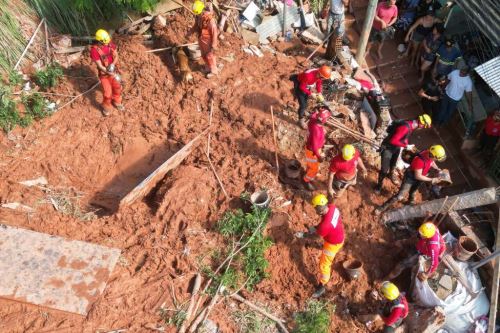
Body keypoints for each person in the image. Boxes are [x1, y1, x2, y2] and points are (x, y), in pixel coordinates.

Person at [376, 145, 446, 213]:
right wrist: (432, 179)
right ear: (433, 156)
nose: (436, 160)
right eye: (437, 158)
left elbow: (431, 162)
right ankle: (381, 208)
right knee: (400, 196)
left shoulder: (429, 152)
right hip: (410, 177)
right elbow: (417, 176)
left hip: (420, 177)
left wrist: (437, 168)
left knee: (413, 192)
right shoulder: (420, 160)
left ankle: (410, 203)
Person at [375, 114, 432, 193]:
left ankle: (390, 175)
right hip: (388, 148)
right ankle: (379, 185)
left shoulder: (411, 125)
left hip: (396, 147)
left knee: (393, 164)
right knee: (384, 169)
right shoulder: (406, 127)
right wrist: (406, 146)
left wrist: (406, 143)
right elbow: (393, 140)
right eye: (424, 126)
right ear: (421, 123)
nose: (423, 128)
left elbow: (404, 137)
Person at [303, 194, 345, 298]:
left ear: (319, 209)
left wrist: (304, 235)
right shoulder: (332, 207)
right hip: (340, 235)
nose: (314, 210)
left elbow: (316, 238)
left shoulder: (325, 226)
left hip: (332, 244)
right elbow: (325, 221)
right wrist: (316, 227)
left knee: (324, 264)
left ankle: (323, 284)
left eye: (315, 208)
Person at [90, 29, 124, 116]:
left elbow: (116, 55)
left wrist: (112, 64)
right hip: (104, 75)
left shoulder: (109, 44)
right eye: (104, 43)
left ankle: (117, 101)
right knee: (107, 93)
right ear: (99, 41)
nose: (107, 44)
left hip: (113, 70)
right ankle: (106, 106)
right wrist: (109, 72)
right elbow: (100, 66)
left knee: (117, 87)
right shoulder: (94, 50)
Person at [187, 0, 218, 78]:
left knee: (209, 56)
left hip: (208, 41)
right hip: (201, 39)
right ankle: (208, 67)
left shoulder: (210, 20)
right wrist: (190, 33)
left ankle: (214, 71)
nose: (198, 15)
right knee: (204, 55)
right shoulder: (199, 17)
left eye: (198, 13)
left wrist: (214, 45)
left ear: (202, 10)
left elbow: (214, 33)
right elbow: (196, 26)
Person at [303, 107, 331, 190]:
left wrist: (318, 111)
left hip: (310, 149)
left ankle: (308, 172)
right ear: (324, 120)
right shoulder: (317, 131)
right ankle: (306, 180)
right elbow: (315, 146)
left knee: (310, 165)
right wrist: (319, 156)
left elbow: (313, 116)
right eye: (327, 118)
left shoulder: (313, 121)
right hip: (313, 151)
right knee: (314, 169)